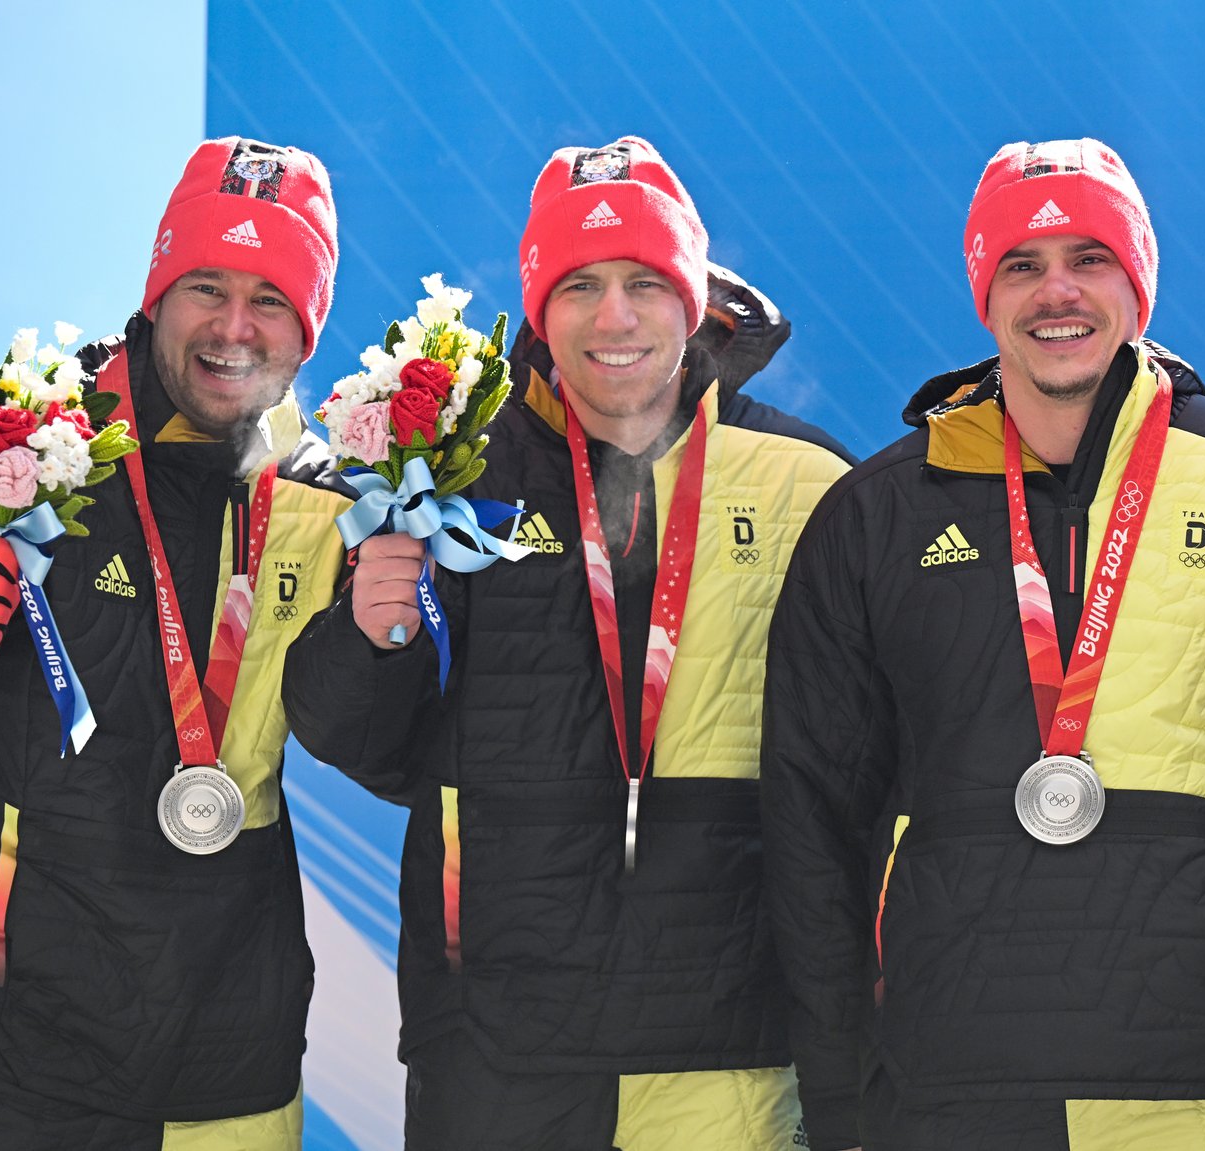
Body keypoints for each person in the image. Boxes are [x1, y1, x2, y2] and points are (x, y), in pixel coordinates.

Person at [761, 137, 1205, 1151]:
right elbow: (810, 828)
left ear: (1135, 282)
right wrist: (838, 1101)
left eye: (1088, 258)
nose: (1056, 291)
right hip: (946, 1091)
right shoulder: (873, 514)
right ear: (982, 292)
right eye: (1021, 263)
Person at [281, 136, 855, 1150]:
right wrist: (372, 636)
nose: (614, 316)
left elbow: (868, 767)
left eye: (645, 280)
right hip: (498, 1045)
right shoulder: (449, 471)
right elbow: (364, 741)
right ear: (538, 309)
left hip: (728, 1041)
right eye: (578, 283)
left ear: (693, 296)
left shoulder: (803, 480)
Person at [0, 136, 349, 1149]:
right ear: (156, 290)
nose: (233, 328)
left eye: (271, 297)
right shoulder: (15, 442)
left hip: (226, 1066)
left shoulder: (329, 498)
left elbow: (388, 752)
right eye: (205, 285)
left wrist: (388, 637)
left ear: (309, 324)